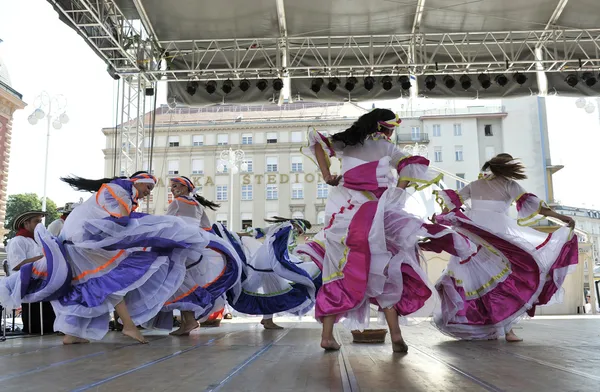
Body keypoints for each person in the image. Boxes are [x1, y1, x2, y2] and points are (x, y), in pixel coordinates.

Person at [299, 109, 474, 352]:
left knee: (339, 272)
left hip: (347, 217)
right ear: (384, 128)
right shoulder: (387, 147)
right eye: (391, 129)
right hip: (379, 215)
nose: (392, 134)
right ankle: (396, 336)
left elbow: (316, 140)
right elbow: (410, 167)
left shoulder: (346, 141)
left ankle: (327, 337)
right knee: (388, 271)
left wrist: (327, 175)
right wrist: (398, 192)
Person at [432, 153, 578, 341]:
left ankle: (487, 326)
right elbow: (536, 207)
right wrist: (561, 217)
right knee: (507, 278)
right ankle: (506, 330)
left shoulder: (475, 185)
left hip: (472, 234)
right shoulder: (509, 185)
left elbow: (452, 204)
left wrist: (439, 218)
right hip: (496, 235)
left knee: (475, 280)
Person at [159, 176, 241, 335]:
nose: (172, 189)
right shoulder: (198, 205)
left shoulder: (177, 202)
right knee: (183, 282)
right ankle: (187, 322)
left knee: (179, 282)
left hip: (181, 247)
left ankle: (188, 321)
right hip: (195, 249)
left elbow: (167, 225)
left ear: (183, 188)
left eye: (174, 186)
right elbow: (207, 230)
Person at [225, 217, 321, 329]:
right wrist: (289, 263)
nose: (298, 233)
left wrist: (239, 234)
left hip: (261, 263)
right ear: (297, 225)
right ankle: (267, 320)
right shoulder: (288, 228)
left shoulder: (279, 226)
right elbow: (282, 249)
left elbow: (258, 232)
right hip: (269, 264)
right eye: (300, 231)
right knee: (276, 294)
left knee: (260, 291)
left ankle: (266, 319)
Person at [4, 211, 56, 334]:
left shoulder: (38, 240)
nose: (39, 224)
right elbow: (17, 265)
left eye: (40, 221)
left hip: (40, 279)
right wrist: (43, 259)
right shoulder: (18, 241)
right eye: (36, 221)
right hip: (24, 281)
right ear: (26, 223)